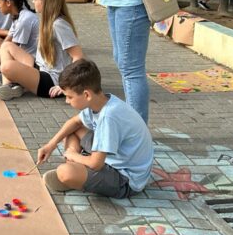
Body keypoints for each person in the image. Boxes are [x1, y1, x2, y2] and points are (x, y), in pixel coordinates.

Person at [36, 59, 153, 198]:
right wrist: (51, 145)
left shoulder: (108, 117)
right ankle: (77, 171)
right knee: (73, 130)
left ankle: (74, 176)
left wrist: (74, 155)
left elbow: (96, 164)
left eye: (69, 97)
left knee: (64, 172)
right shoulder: (103, 101)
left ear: (86, 94)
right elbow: (74, 122)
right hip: (115, 158)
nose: (67, 101)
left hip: (126, 180)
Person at [0, 0, 83, 101]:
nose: (32, 1)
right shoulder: (48, 21)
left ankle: (12, 83)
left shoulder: (59, 25)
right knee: (6, 46)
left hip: (51, 80)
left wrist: (66, 86)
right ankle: (11, 85)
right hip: (41, 67)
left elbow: (78, 57)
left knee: (6, 67)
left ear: (46, 2)